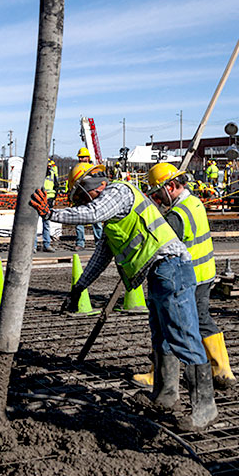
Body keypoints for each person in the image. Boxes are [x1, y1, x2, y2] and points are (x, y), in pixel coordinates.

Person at [29, 162, 218, 430]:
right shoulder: (111, 220)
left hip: (172, 267)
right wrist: (79, 287)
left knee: (183, 336)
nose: (84, 203)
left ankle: (205, 407)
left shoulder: (119, 192)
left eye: (82, 197)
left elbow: (93, 212)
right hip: (159, 273)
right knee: (162, 336)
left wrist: (50, 214)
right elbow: (99, 259)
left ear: (92, 184)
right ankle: (165, 395)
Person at [133, 163, 236, 390]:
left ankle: (159, 374)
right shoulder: (193, 202)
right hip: (204, 273)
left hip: (190, 278)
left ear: (170, 187)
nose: (157, 200)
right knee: (200, 320)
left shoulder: (178, 214)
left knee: (168, 322)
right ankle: (222, 370)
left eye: (158, 194)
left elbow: (160, 244)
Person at [74, 147, 104, 249]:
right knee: (79, 222)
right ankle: (80, 243)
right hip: (81, 197)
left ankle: (99, 243)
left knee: (96, 222)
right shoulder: (77, 169)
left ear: (88, 157)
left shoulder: (93, 169)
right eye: (80, 157)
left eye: (83, 157)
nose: (81, 159)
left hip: (92, 197)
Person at [38, 159, 59, 252]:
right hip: (38, 200)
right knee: (34, 224)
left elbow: (56, 187)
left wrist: (53, 199)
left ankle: (47, 244)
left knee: (46, 223)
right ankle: (33, 246)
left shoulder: (52, 174)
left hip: (48, 201)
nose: (49, 167)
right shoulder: (37, 174)